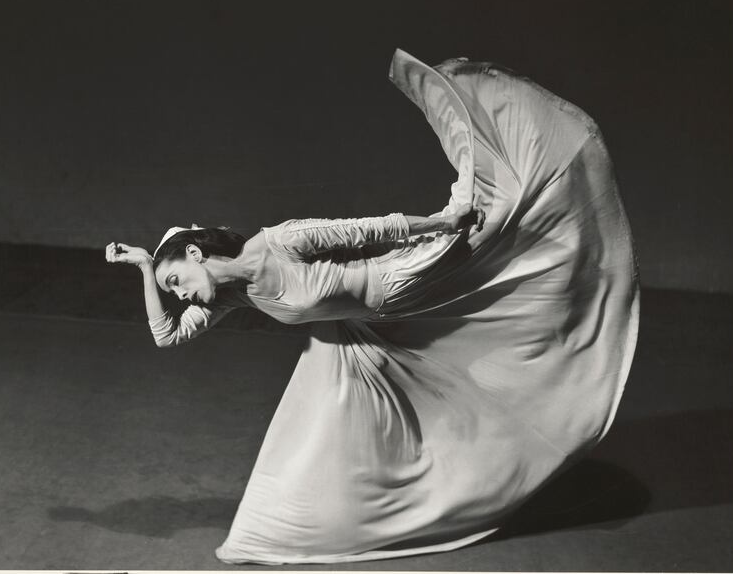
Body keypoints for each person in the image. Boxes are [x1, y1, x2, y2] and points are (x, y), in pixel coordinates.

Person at [106, 49, 639, 564]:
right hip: (368, 330)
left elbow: (367, 230)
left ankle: (555, 179)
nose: (180, 295)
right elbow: (166, 337)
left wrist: (440, 224)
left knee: (500, 229)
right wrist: (144, 270)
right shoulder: (227, 296)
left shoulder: (279, 242)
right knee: (344, 422)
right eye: (173, 291)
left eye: (175, 279)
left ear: (196, 253)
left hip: (405, 279)